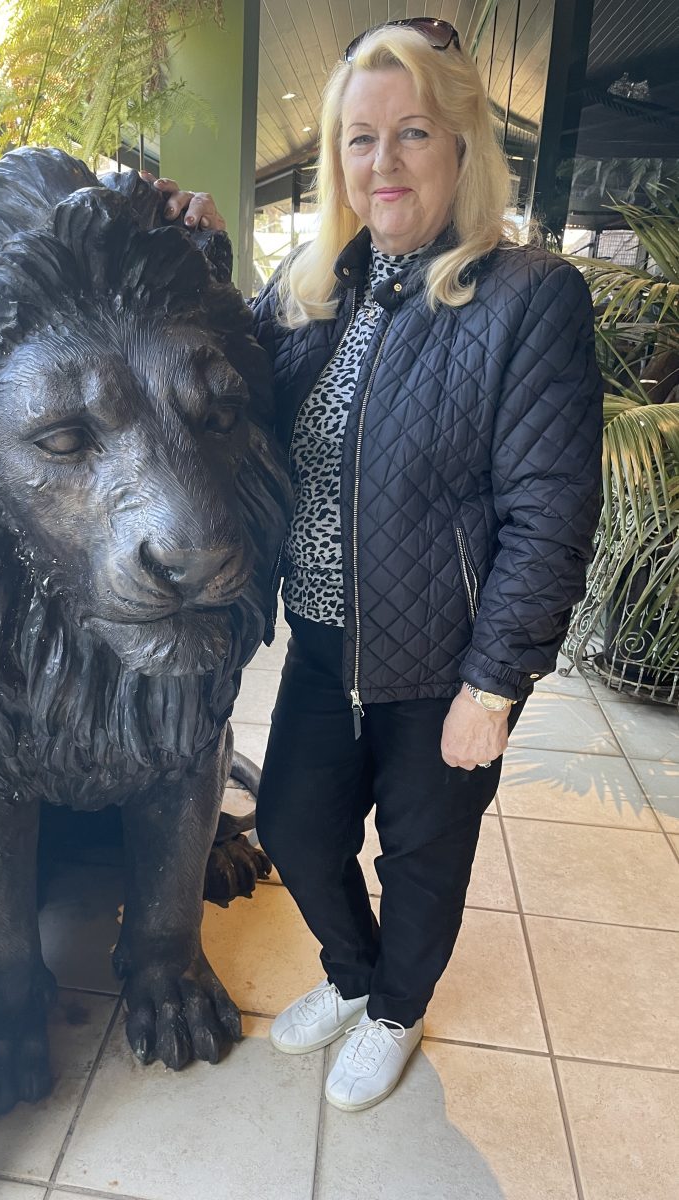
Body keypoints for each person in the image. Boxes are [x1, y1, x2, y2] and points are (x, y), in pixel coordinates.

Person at [150, 17, 602, 1112]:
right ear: (336, 157)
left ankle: (396, 1009)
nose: (382, 163)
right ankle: (356, 979)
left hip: (445, 664)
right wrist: (199, 250)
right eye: (360, 138)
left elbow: (551, 512)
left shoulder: (526, 297)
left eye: (411, 134)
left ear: (460, 147)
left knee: (422, 863)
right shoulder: (316, 293)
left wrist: (494, 686)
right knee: (299, 829)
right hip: (325, 642)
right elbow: (228, 373)